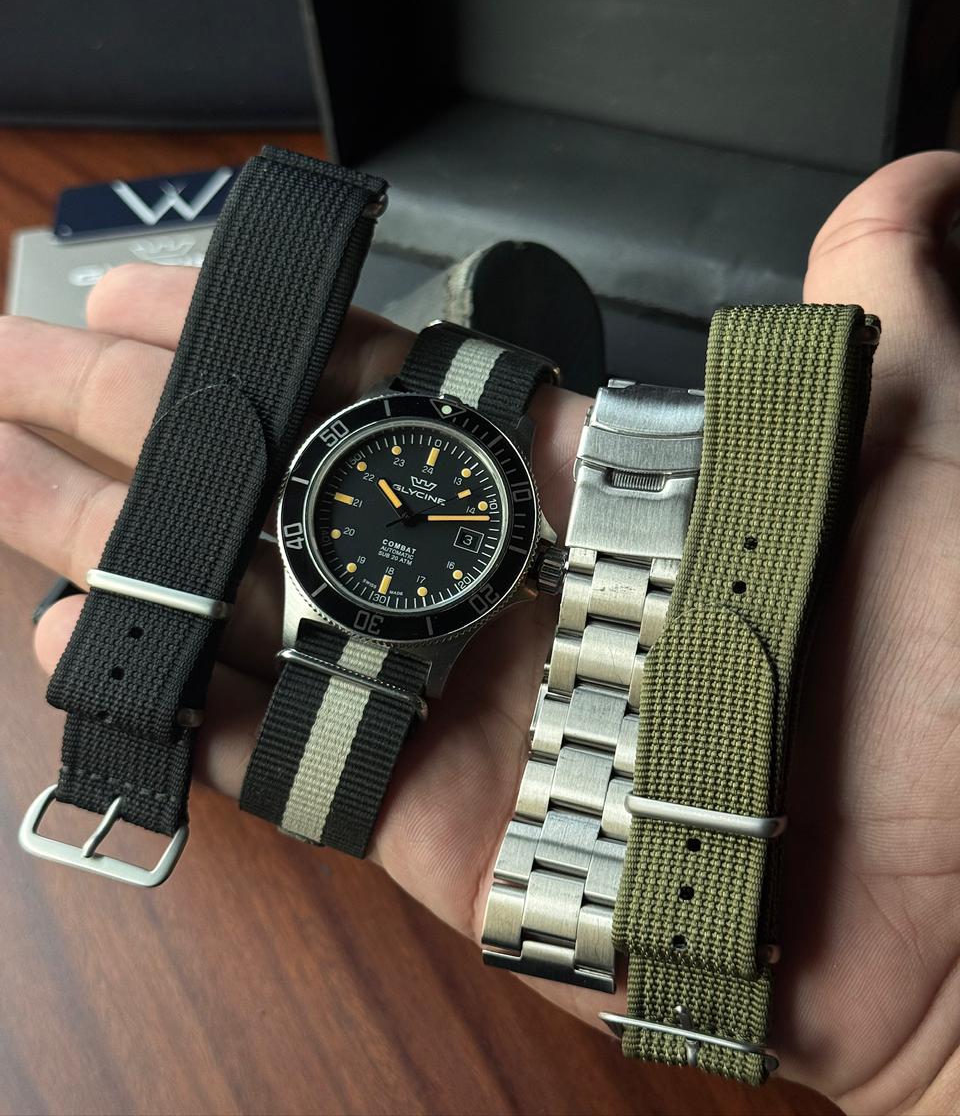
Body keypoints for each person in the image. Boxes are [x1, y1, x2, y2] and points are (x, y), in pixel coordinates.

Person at [0, 151, 957, 1115]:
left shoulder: (529, 562)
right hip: (349, 604)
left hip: (469, 603)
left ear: (528, 560)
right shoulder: (335, 526)